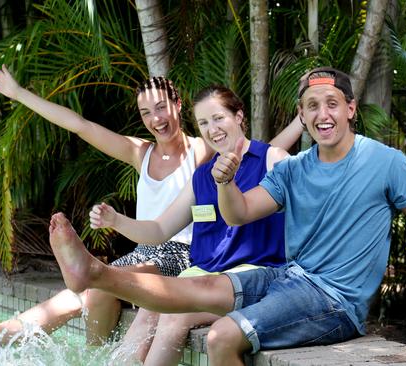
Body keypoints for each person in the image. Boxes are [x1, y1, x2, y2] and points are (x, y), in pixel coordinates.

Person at [46, 66, 406, 365]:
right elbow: (239, 214)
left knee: (221, 336)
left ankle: (96, 274)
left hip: (335, 299)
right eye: (311, 106)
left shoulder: (385, 162)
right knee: (197, 290)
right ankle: (96, 274)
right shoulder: (294, 168)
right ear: (302, 114)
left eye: (332, 104)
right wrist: (225, 182)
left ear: (350, 108)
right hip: (290, 277)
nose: (322, 114)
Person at [0, 65, 302, 351]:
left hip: (182, 253)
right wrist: (18, 94)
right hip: (146, 248)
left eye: (162, 107)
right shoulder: (141, 153)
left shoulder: (202, 149)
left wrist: (300, 121)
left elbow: (253, 151)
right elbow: (80, 125)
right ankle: (54, 344)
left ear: (178, 106)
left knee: (102, 282)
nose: (156, 118)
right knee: (89, 291)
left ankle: (74, 345)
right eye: (146, 112)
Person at [89, 85, 288, 365]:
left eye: (218, 118)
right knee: (150, 308)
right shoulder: (202, 175)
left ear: (239, 116)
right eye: (204, 123)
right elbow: (159, 231)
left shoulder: (272, 159)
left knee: (174, 315)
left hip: (250, 276)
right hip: (200, 274)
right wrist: (116, 220)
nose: (212, 129)